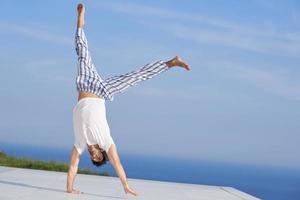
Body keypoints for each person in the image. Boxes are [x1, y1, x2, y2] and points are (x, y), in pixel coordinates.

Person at [66, 3, 190, 196]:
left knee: (82, 54)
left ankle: (171, 62)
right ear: (102, 153)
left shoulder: (80, 143)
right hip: (102, 91)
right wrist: (125, 185)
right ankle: (171, 63)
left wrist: (69, 188)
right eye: (99, 157)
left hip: (85, 85)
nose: (94, 156)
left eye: (93, 159)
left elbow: (73, 163)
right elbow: (118, 164)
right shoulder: (106, 142)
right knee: (135, 77)